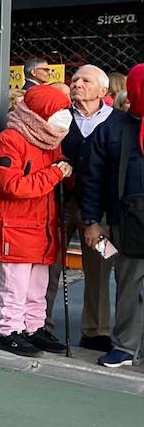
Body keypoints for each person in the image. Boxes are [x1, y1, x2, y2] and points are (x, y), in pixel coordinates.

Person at [0, 86, 74, 357]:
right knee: (15, 286)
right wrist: (55, 175)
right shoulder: (9, 140)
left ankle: (34, 328)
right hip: (14, 226)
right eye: (60, 110)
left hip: (41, 226)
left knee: (37, 286)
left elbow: (55, 175)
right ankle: (10, 331)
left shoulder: (49, 141)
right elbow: (11, 185)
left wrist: (64, 172)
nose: (65, 115)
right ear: (42, 114)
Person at [47, 65, 122, 351]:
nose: (77, 84)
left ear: (103, 90)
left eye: (85, 80)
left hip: (100, 211)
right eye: (75, 79)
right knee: (49, 263)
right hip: (61, 202)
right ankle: (41, 323)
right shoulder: (60, 118)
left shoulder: (118, 121)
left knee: (101, 265)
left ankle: (96, 331)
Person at [78, 64, 144, 368]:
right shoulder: (113, 128)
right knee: (128, 284)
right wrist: (92, 221)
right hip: (127, 221)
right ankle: (125, 346)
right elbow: (92, 179)